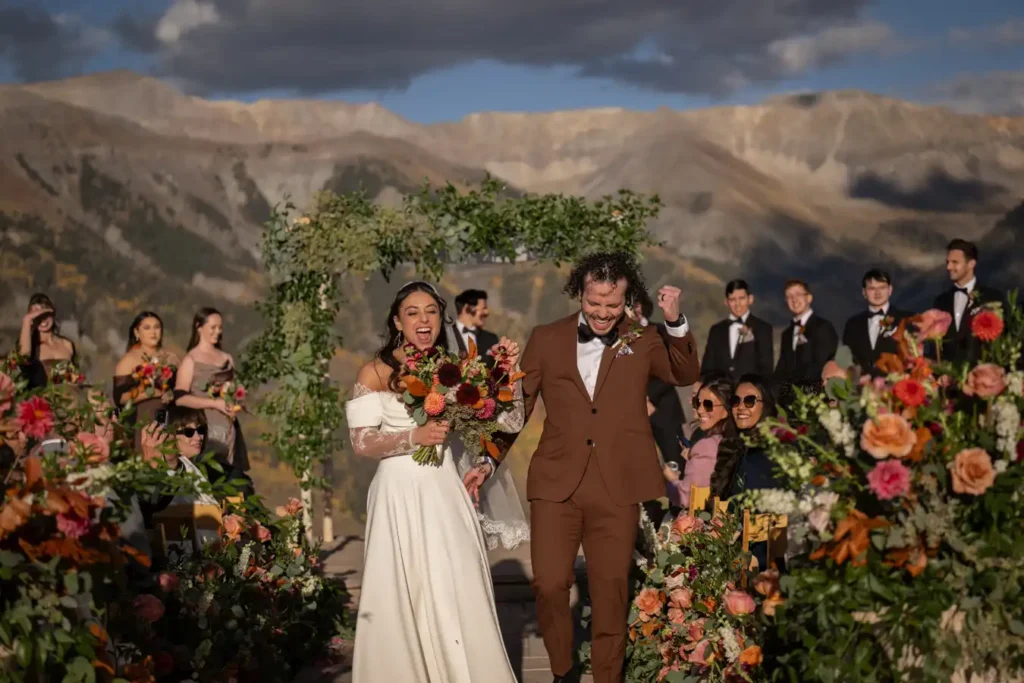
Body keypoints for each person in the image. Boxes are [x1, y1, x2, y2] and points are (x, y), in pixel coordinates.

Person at [489, 251, 700, 683]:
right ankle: (563, 671)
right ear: (579, 294)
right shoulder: (545, 338)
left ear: (626, 300)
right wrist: (486, 459)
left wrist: (674, 321)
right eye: (594, 303)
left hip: (617, 485)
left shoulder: (644, 339)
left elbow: (685, 371)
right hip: (555, 483)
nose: (603, 313)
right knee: (548, 585)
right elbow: (520, 408)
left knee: (610, 592)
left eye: (612, 304)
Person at [344, 281, 525, 683]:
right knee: (401, 590)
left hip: (445, 489)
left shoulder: (455, 368)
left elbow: (499, 420)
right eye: (412, 312)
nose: (423, 320)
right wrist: (414, 438)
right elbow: (361, 441)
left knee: (455, 584)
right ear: (397, 321)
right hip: (398, 494)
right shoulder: (374, 372)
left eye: (430, 311)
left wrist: (503, 372)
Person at [174, 307, 252, 492]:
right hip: (205, 427)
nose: (218, 332)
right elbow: (180, 398)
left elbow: (234, 389)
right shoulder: (191, 359)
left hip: (228, 427)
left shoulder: (227, 358)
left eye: (220, 328)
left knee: (231, 476)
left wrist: (237, 400)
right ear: (199, 327)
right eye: (213, 327)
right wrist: (213, 403)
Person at [726, 374, 782, 571]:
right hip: (737, 549)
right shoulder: (743, 448)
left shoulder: (770, 452)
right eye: (735, 401)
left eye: (750, 401)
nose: (741, 407)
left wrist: (755, 560)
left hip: (763, 561)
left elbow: (778, 516)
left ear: (765, 405)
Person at [663, 377, 742, 511]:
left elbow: (685, 498)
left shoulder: (706, 446)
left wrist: (671, 480)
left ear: (726, 410)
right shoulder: (739, 439)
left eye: (708, 405)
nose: (699, 410)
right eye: (697, 403)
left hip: (702, 522)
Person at [633, 290, 686, 471]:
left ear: (640, 307)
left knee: (676, 463)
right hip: (630, 411)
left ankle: (680, 499)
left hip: (664, 408)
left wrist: (646, 399)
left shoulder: (662, 332)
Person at [931, 239, 1006, 364]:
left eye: (955, 262)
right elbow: (935, 344)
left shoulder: (992, 297)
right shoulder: (941, 301)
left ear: (971, 264)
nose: (949, 267)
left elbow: (1001, 340)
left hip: (980, 376)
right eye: (948, 262)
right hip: (947, 378)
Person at [113, 311, 179, 450]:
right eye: (147, 328)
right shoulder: (129, 360)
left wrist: (172, 394)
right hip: (142, 417)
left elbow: (182, 389)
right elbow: (121, 398)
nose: (153, 332)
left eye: (157, 327)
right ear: (137, 332)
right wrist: (152, 394)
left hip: (171, 415)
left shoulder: (171, 357)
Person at [701, 279, 774, 380]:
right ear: (726, 302)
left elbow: (766, 370)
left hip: (750, 393)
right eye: (732, 300)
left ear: (750, 299)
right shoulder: (716, 330)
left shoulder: (763, 328)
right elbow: (707, 368)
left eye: (741, 298)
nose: (737, 304)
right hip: (721, 393)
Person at [842, 269, 909, 377]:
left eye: (882, 287)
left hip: (895, 387)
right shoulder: (852, 324)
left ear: (890, 290)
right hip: (862, 389)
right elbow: (848, 360)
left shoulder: (906, 320)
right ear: (864, 292)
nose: (877, 292)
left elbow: (913, 359)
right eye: (872, 288)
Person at [774, 279, 838, 390]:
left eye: (798, 294)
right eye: (789, 296)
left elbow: (822, 365)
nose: (794, 299)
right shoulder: (786, 334)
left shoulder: (823, 327)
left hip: (815, 397)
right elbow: (781, 369)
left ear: (809, 298)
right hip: (789, 398)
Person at [18, 293, 77, 389]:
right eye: (37, 317)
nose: (42, 320)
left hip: (68, 398)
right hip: (42, 399)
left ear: (52, 314)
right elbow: (23, 358)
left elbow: (75, 377)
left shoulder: (67, 344)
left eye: (45, 315)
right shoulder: (31, 346)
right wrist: (26, 320)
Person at [453, 289, 500, 365]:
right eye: (483, 308)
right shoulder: (444, 336)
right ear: (468, 308)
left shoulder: (491, 339)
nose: (487, 312)